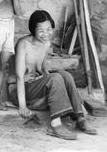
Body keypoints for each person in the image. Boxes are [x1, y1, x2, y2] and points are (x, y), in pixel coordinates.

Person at [8, 10, 96, 140]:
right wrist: (22, 106)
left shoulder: (46, 43)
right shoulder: (23, 44)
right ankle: (56, 125)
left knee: (64, 75)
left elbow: (42, 68)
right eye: (41, 31)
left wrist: (55, 82)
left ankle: (80, 118)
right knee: (56, 78)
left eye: (49, 29)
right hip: (20, 89)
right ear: (33, 30)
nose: (46, 34)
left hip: (35, 84)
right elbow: (20, 76)